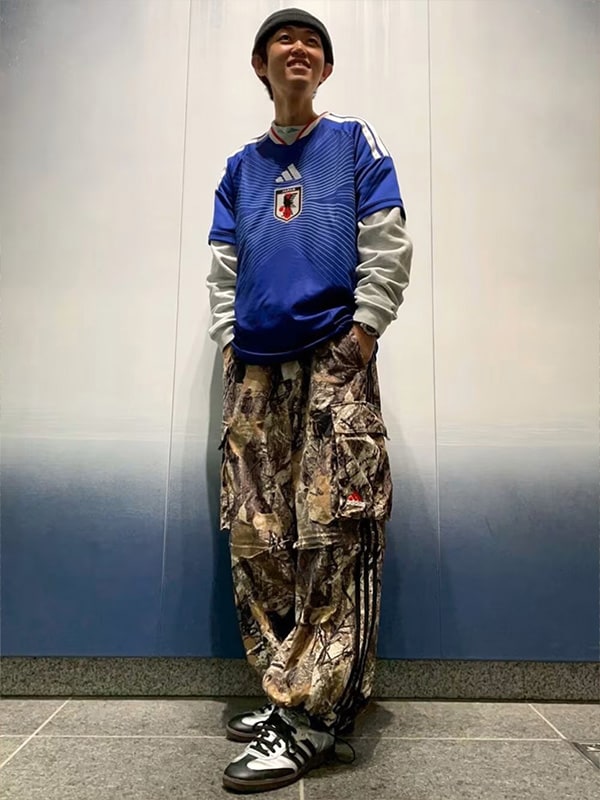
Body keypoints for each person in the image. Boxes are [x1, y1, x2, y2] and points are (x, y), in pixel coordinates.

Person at [207, 7, 413, 793]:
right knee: (259, 539)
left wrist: (362, 335)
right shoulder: (240, 168)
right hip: (256, 373)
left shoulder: (355, 143)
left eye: (314, 43)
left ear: (324, 70)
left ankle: (317, 718)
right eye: (284, 41)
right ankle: (287, 696)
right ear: (260, 66)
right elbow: (222, 266)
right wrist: (232, 345)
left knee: (334, 534)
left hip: (332, 365)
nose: (300, 49)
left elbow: (388, 239)